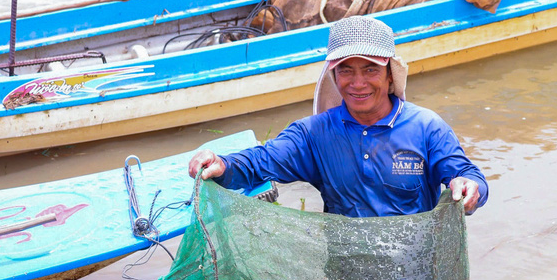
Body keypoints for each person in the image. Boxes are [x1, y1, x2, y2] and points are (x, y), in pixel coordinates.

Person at [189, 14, 488, 218]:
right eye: (346, 70)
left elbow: (468, 176)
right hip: (346, 278)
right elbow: (260, 161)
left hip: (414, 273)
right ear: (334, 76)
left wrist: (469, 188)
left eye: (370, 69)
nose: (358, 83)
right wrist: (223, 164)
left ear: (389, 76)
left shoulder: (427, 128)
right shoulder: (314, 134)